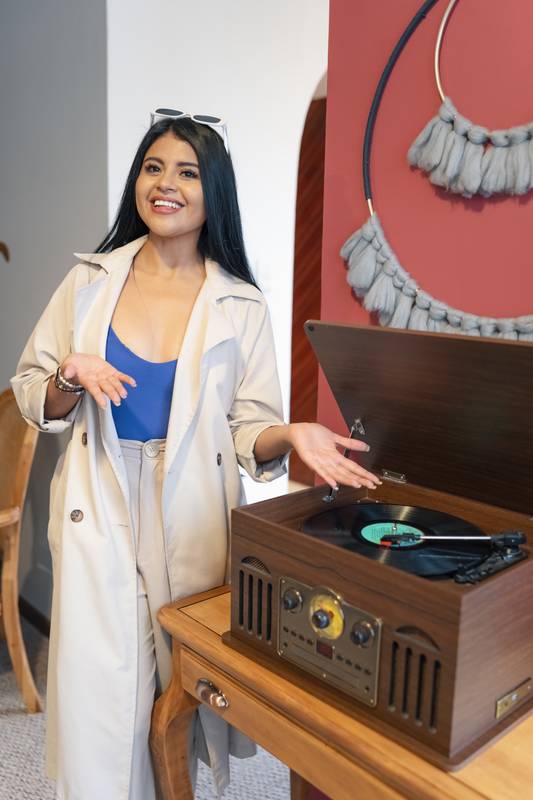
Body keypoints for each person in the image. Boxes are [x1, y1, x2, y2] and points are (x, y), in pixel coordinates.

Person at [11, 110, 380, 800]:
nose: (165, 184)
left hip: (189, 506)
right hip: (103, 493)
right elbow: (33, 391)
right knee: (101, 689)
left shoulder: (240, 304)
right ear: (137, 183)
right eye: (153, 167)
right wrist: (69, 374)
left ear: (214, 192)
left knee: (178, 681)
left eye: (186, 171)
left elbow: (250, 430)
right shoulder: (89, 280)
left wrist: (290, 434)